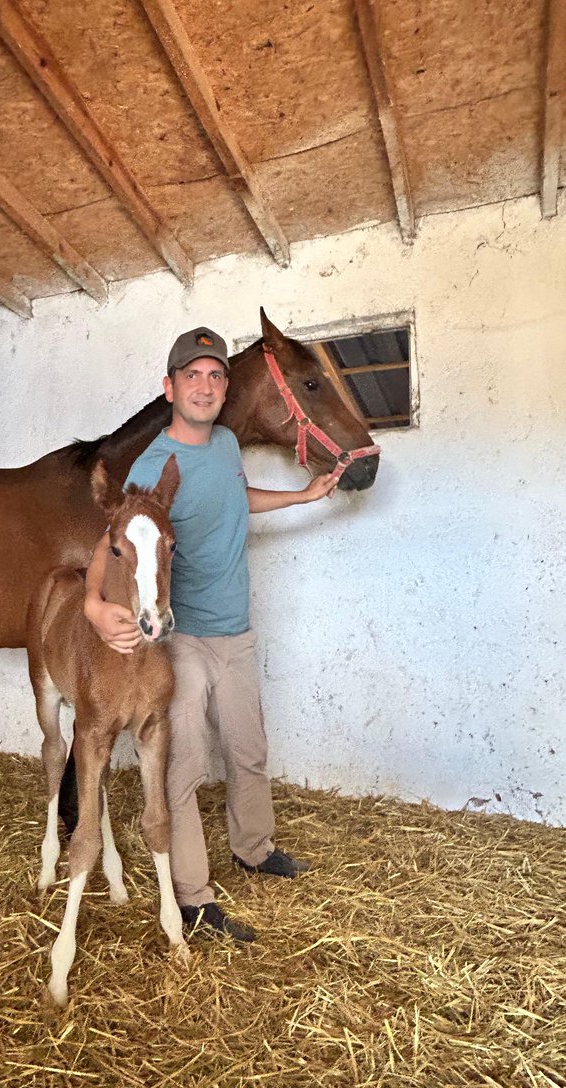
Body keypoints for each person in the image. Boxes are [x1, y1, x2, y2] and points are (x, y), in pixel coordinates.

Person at [83, 327, 336, 942]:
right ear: (169, 388)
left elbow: (234, 496)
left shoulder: (224, 442)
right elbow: (113, 541)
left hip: (235, 628)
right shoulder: (152, 466)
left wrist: (301, 496)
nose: (205, 386)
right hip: (184, 639)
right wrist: (92, 605)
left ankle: (254, 848)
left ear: (225, 388)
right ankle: (193, 896)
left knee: (248, 748)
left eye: (215, 375)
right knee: (187, 764)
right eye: (191, 376)